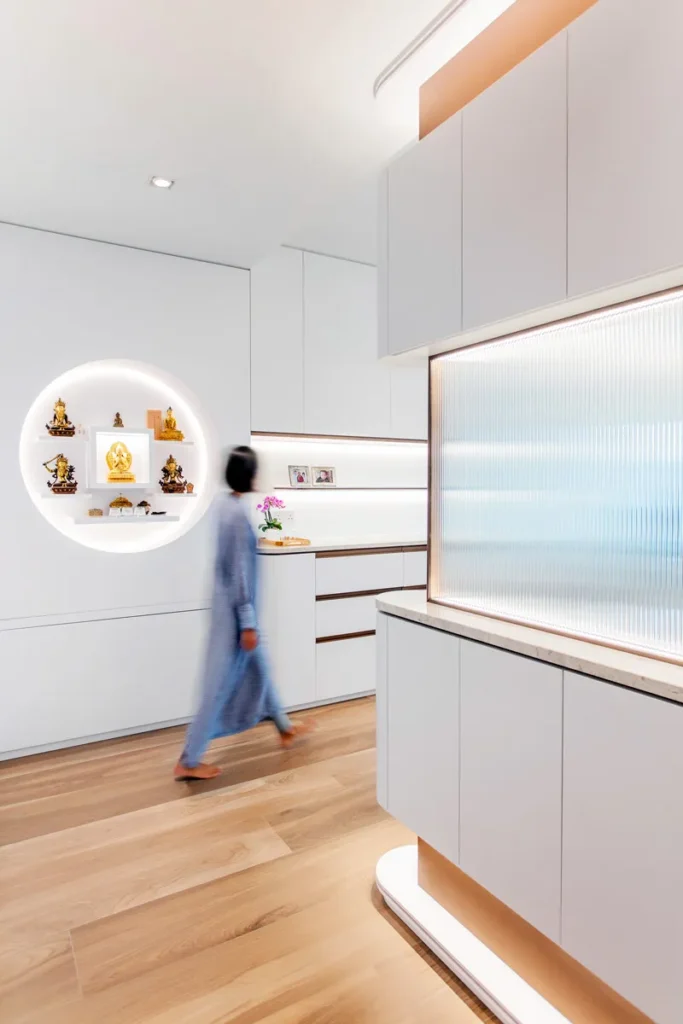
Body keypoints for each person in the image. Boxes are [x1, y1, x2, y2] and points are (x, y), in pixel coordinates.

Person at [174, 446, 312, 780]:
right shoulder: (235, 514)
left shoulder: (223, 505)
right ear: (247, 476)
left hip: (228, 610)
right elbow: (238, 571)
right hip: (237, 616)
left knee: (260, 667)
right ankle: (188, 761)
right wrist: (247, 623)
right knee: (218, 685)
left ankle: (284, 727)